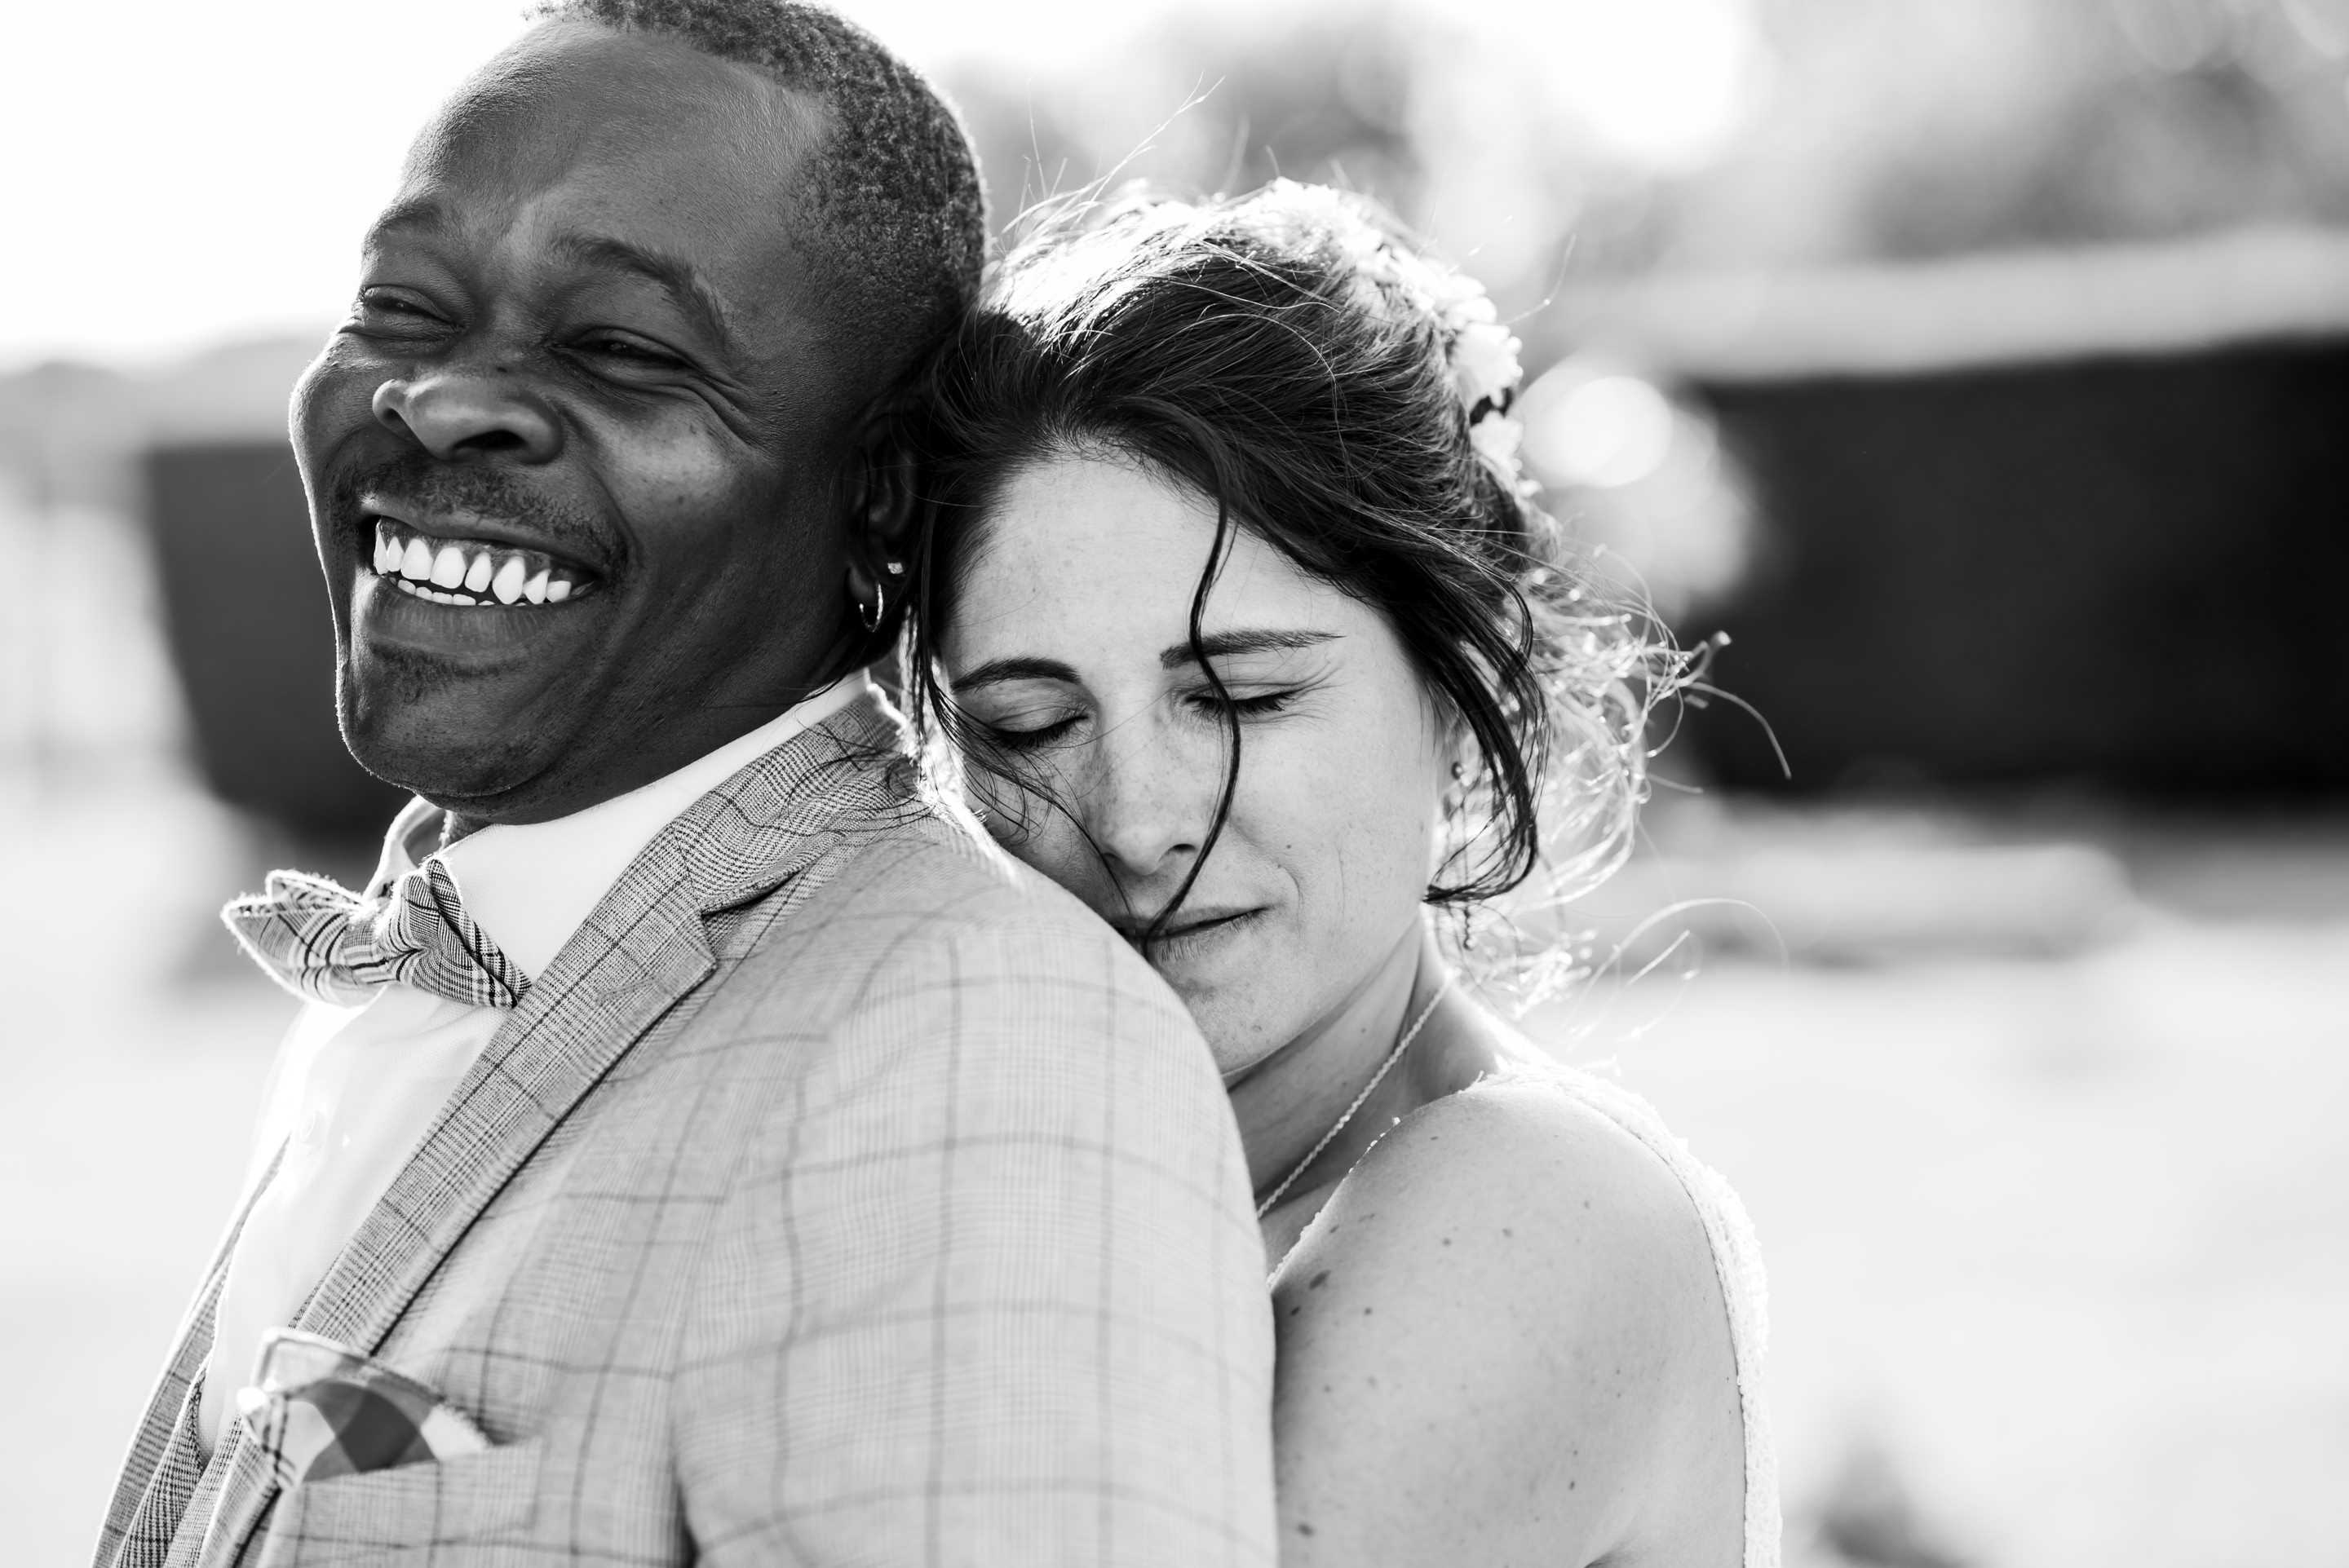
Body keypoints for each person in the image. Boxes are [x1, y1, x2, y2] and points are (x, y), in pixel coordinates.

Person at [93, 7, 1278, 1566]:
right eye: (402, 304)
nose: (441, 401)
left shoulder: (973, 1045)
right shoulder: (449, 948)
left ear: (881, 499)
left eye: (625, 349)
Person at [906, 182, 1777, 1567]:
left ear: (1457, 683)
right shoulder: (1058, 1177)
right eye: (1033, 725)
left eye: (1241, 698)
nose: (1138, 822)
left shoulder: (1534, 1208)